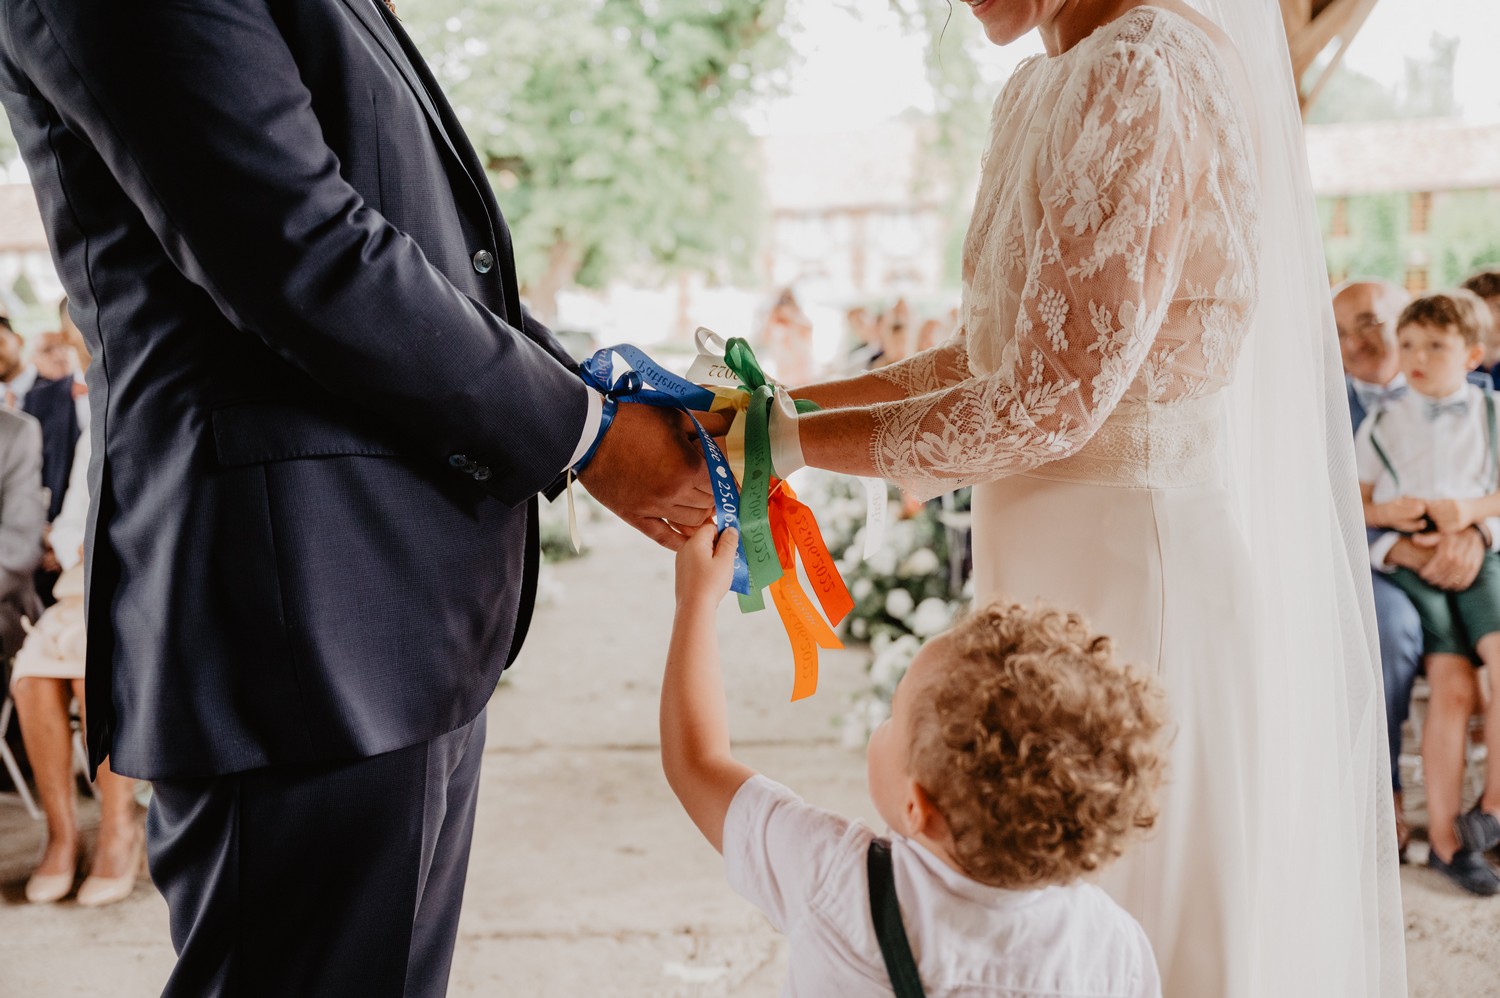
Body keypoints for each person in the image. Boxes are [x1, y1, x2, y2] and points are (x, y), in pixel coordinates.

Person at [0, 4, 715, 995]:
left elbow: (415, 241)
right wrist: (583, 434)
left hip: (392, 614)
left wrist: (594, 399)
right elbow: (294, 247)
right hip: (298, 618)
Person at [699, 1, 1405, 993]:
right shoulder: (1037, 87)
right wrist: (767, 415)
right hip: (1040, 559)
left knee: (1138, 923)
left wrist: (791, 442)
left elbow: (1055, 399)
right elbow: (981, 362)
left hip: (1135, 571)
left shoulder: (1148, 69)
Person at [664, 525, 1165, 996]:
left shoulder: (835, 881)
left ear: (917, 807)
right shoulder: (1111, 946)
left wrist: (695, 602)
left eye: (893, 716)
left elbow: (697, 762)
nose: (882, 725)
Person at [1334, 278, 1483, 862]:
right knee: (1390, 631)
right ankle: (1385, 792)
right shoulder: (1322, 408)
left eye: (1369, 321)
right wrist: (1396, 548)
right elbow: (1317, 507)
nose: (1355, 342)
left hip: (1468, 559)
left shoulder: (1471, 393)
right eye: (1341, 331)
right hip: (1374, 564)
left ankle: (1484, 814)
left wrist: (1476, 532)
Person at [12, 431, 142, 907]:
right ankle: (61, 835)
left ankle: (117, 830)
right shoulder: (97, 423)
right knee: (30, 677)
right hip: (80, 585)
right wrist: (76, 546)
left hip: (136, 581)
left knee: (93, 676)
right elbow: (68, 522)